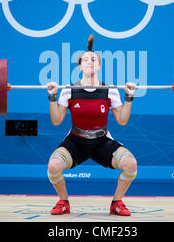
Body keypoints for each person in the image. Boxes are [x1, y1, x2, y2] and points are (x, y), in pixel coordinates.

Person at [46, 34, 137, 216]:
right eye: (86, 60)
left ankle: (116, 202)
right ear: (79, 66)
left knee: (131, 164)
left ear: (99, 65)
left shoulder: (109, 89)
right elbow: (56, 121)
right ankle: (63, 201)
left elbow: (122, 120)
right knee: (53, 166)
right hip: (75, 142)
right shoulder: (69, 90)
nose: (90, 62)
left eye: (94, 59)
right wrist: (52, 97)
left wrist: (129, 97)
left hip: (102, 142)